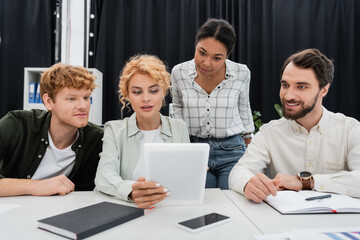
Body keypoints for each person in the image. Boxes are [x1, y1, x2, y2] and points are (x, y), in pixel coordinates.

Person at [229, 48, 360, 202]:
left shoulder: (350, 129)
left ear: (323, 90)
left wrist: (305, 182)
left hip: (338, 222)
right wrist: (248, 184)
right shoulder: (269, 133)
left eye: (301, 87)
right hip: (283, 223)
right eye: (285, 85)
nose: (289, 95)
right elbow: (238, 173)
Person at [95, 54, 189, 209]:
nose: (146, 98)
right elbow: (104, 176)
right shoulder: (114, 129)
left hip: (168, 208)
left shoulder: (179, 128)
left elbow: (183, 181)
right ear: (127, 95)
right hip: (126, 208)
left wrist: (191, 170)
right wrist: (131, 191)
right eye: (137, 92)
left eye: (153, 91)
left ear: (163, 92)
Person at [171, 18, 254, 190]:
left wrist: (250, 151)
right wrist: (182, 148)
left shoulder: (241, 73)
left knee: (233, 205)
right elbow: (177, 109)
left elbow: (244, 109)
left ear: (227, 56)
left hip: (232, 150)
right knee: (202, 202)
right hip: (194, 150)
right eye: (202, 53)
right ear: (196, 45)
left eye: (217, 58)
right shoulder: (179, 72)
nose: (207, 63)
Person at [0, 63, 103, 197]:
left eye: (86, 97)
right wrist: (35, 186)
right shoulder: (16, 124)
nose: (83, 106)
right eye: (71, 99)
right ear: (48, 101)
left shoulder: (96, 140)